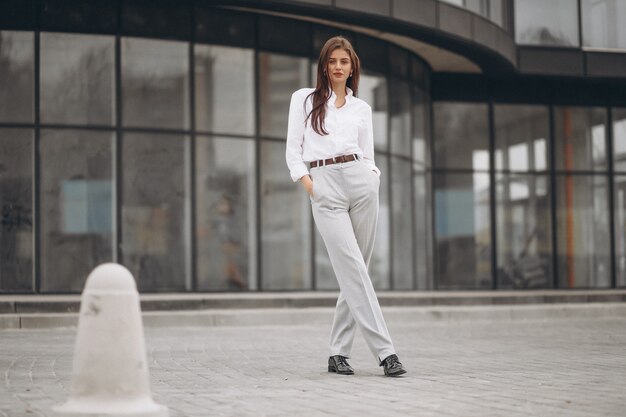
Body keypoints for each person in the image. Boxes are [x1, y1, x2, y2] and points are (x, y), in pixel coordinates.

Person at [285, 36, 406, 377]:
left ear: (352, 67)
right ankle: (386, 352)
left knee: (357, 272)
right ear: (324, 65)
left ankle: (338, 353)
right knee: (352, 267)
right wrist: (312, 188)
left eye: (344, 62)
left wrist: (372, 176)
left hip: (361, 182)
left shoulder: (361, 109)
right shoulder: (304, 100)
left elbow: (368, 154)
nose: (338, 67)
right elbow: (294, 152)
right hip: (325, 186)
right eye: (332, 61)